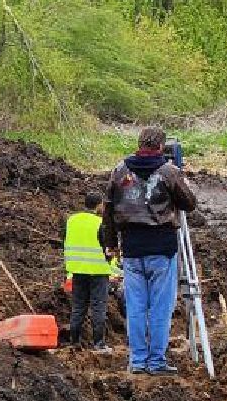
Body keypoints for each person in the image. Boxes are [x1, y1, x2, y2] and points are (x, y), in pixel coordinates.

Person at [103, 127, 199, 374]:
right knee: (160, 308)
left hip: (132, 248)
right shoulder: (169, 171)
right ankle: (156, 361)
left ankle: (137, 360)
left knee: (135, 307)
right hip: (162, 247)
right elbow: (189, 204)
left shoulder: (119, 170)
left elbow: (109, 210)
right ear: (161, 146)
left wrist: (111, 244)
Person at [63, 190, 116, 350]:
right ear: (99, 205)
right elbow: (107, 248)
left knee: (78, 306)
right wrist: (113, 267)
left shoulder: (72, 220)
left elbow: (65, 241)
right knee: (98, 306)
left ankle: (74, 342)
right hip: (98, 271)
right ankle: (99, 343)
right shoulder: (100, 223)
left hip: (78, 270)